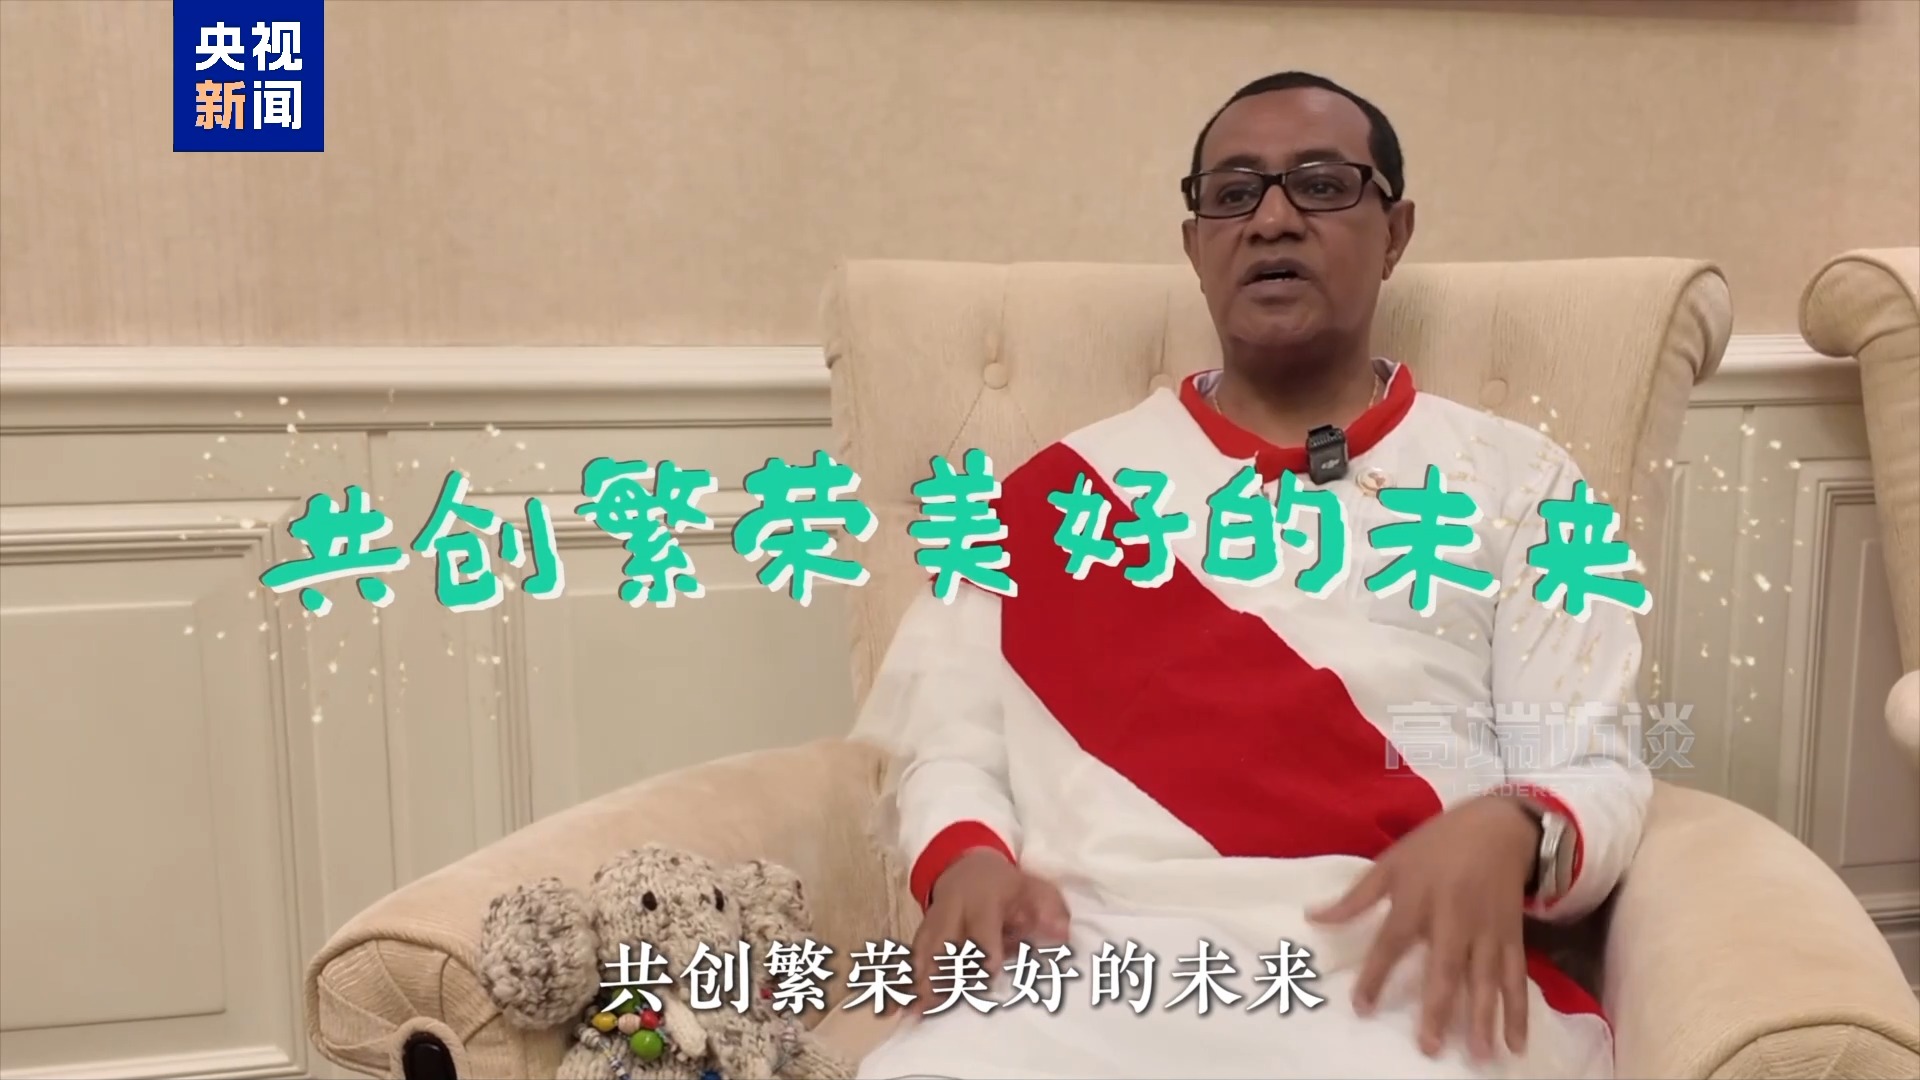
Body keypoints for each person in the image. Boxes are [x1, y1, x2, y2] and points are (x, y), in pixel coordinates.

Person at [849, 71, 1651, 1080]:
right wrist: (968, 855)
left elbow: (1592, 763)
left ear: (1395, 231)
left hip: (1396, 964)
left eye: (1320, 185)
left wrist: (1509, 825)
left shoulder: (1524, 484)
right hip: (1089, 962)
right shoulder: (1056, 494)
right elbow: (947, 739)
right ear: (1196, 246)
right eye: (1233, 194)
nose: (1272, 220)